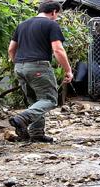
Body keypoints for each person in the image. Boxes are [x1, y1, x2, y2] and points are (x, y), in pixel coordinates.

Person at [8, 1, 74, 143]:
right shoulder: (51, 24)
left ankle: (36, 134)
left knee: (35, 101)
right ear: (54, 12)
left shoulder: (22, 25)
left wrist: (19, 64)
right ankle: (22, 119)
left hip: (19, 66)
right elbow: (58, 49)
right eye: (57, 15)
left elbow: (11, 49)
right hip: (38, 66)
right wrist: (68, 70)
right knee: (49, 99)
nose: (57, 18)